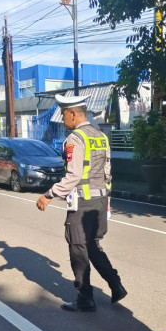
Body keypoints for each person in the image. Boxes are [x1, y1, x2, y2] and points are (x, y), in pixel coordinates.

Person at [36, 94, 127, 311]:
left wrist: (48, 195)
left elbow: (73, 176)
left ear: (73, 113)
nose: (63, 119)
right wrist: (107, 203)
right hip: (99, 200)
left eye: (64, 114)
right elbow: (107, 173)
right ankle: (116, 285)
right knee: (93, 247)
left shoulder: (75, 139)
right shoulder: (100, 136)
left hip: (83, 202)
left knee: (78, 249)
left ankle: (85, 298)